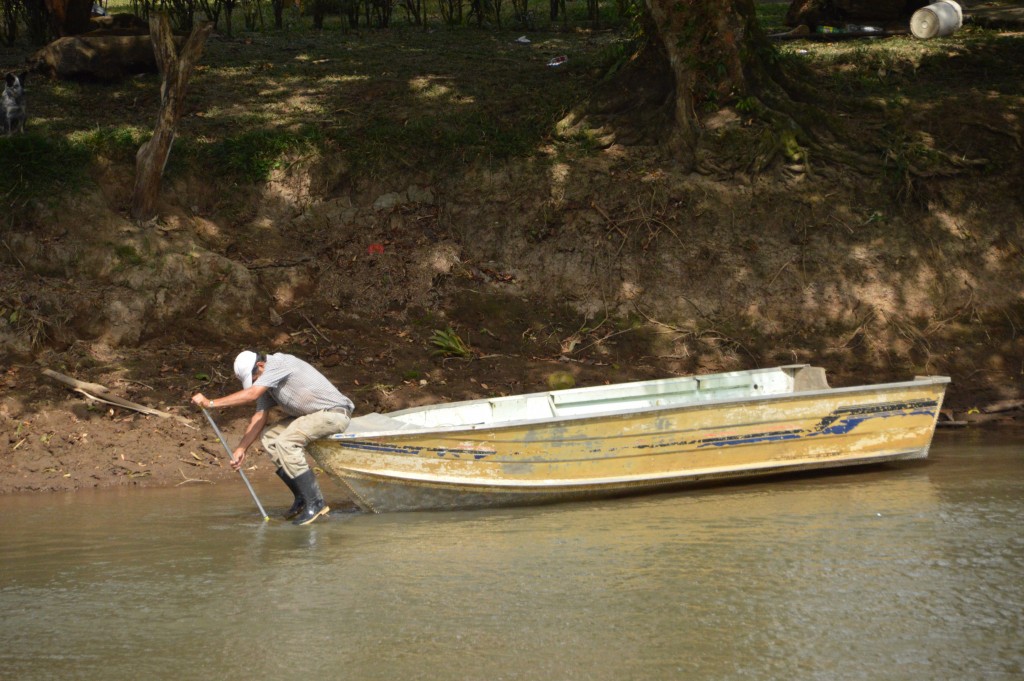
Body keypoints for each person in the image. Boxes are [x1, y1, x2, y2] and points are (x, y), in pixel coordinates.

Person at [191, 351, 354, 526]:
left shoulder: (278, 364)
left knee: (287, 441)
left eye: (254, 378)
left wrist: (211, 403)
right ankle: (302, 497)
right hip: (311, 416)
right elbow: (260, 415)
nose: (255, 382)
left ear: (260, 366)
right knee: (270, 437)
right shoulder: (267, 382)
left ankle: (316, 503)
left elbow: (251, 395)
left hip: (334, 413)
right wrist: (241, 448)